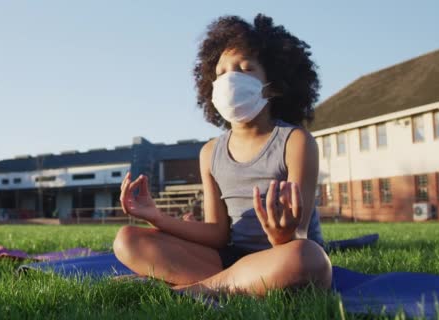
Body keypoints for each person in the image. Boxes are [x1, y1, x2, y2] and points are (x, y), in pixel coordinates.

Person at [113, 14, 331, 295]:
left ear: (274, 84)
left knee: (308, 258)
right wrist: (156, 217)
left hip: (284, 257)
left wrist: (282, 237)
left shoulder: (296, 141)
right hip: (230, 259)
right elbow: (217, 233)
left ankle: (190, 289)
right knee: (127, 239)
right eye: (222, 72)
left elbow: (300, 235)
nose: (231, 80)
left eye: (245, 69)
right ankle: (222, 287)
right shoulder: (210, 152)